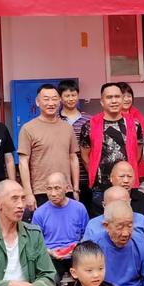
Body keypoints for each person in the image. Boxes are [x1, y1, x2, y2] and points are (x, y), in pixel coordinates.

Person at [79, 83, 144, 212]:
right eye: (109, 97)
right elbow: (85, 157)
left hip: (128, 187)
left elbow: (137, 155)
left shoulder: (134, 124)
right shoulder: (89, 125)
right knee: (103, 221)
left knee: (128, 220)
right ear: (102, 101)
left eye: (117, 97)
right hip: (101, 188)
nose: (114, 101)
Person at [18, 83, 80, 210]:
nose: (51, 103)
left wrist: (76, 188)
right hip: (41, 191)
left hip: (66, 190)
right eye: (46, 99)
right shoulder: (28, 128)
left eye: (54, 99)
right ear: (37, 102)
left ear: (59, 101)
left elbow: (73, 158)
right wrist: (28, 193)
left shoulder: (67, 127)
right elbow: (23, 163)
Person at [84, 186, 144, 269]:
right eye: (115, 204)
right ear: (104, 205)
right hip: (106, 268)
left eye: (124, 203)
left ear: (130, 202)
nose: (120, 208)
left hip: (140, 265)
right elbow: (87, 254)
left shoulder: (142, 220)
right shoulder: (93, 225)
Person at [32, 171, 89, 279]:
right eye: (49, 189)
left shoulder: (79, 208)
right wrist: (50, 252)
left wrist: (76, 248)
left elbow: (86, 235)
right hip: (50, 256)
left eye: (57, 188)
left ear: (67, 188)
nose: (53, 193)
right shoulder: (39, 213)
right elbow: (35, 242)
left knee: (85, 277)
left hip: (76, 254)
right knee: (52, 280)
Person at [57, 79, 92, 215]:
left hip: (85, 175)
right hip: (61, 175)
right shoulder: (55, 119)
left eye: (74, 95)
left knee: (84, 212)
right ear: (60, 98)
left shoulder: (89, 120)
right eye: (67, 96)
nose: (71, 99)